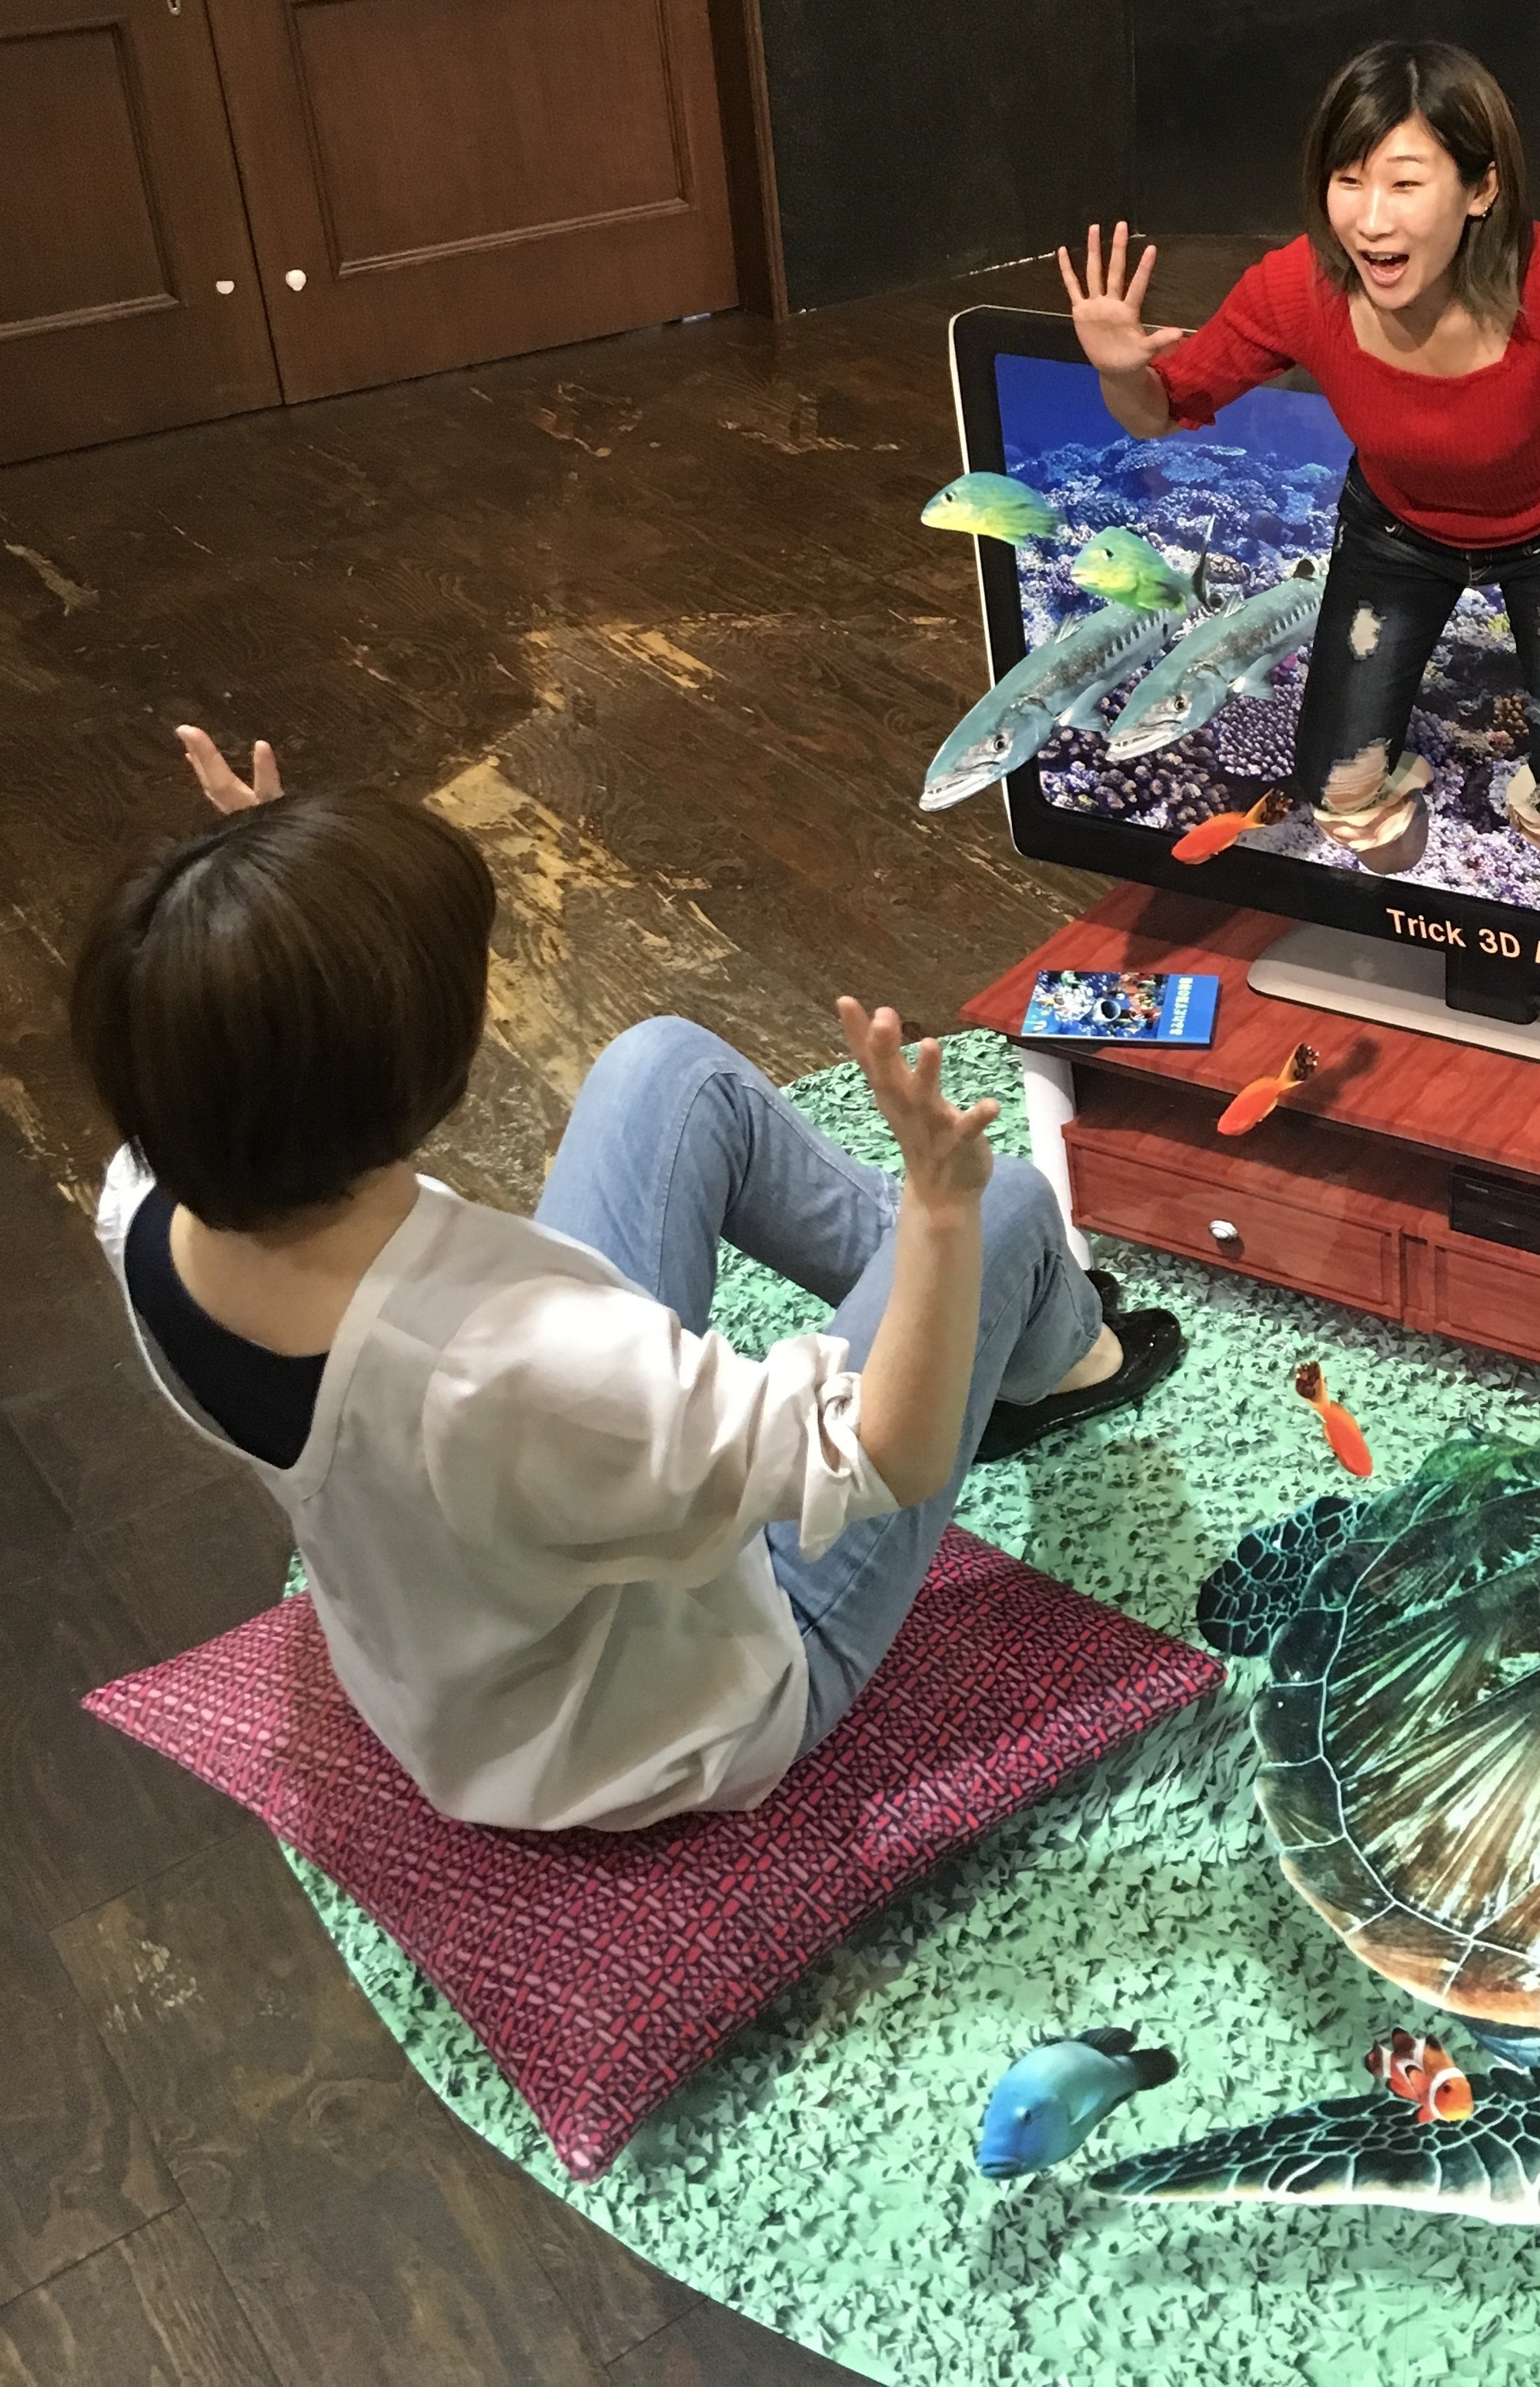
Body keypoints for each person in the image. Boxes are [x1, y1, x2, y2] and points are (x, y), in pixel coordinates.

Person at [67, 727, 1182, 1834]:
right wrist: (939, 1212)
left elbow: (241, 1080)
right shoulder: (529, 1360)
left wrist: (262, 923)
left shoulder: (142, 1205)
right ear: (425, 1067)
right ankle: (1060, 1360)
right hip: (694, 1705)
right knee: (1007, 1203)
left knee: (668, 1067)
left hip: (475, 1596)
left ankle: (998, 1321)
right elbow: (885, 1458)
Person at [1061, 40, 1540, 924]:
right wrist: (1120, 370)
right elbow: (1159, 412)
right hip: (1398, 530)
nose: (1369, 220)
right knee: (1344, 798)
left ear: (1482, 190)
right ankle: (1417, 810)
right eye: (1347, 180)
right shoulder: (1300, 286)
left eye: (1404, 183)